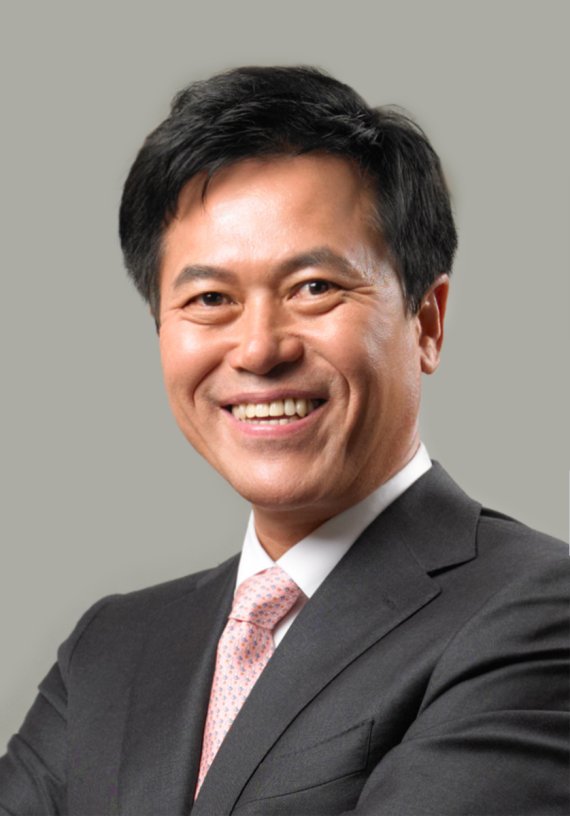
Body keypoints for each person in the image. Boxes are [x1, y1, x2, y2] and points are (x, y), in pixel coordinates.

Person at [0, 65, 568, 816]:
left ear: (427, 322)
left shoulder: (538, 610)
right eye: (210, 299)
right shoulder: (110, 649)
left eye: (314, 289)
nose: (260, 349)